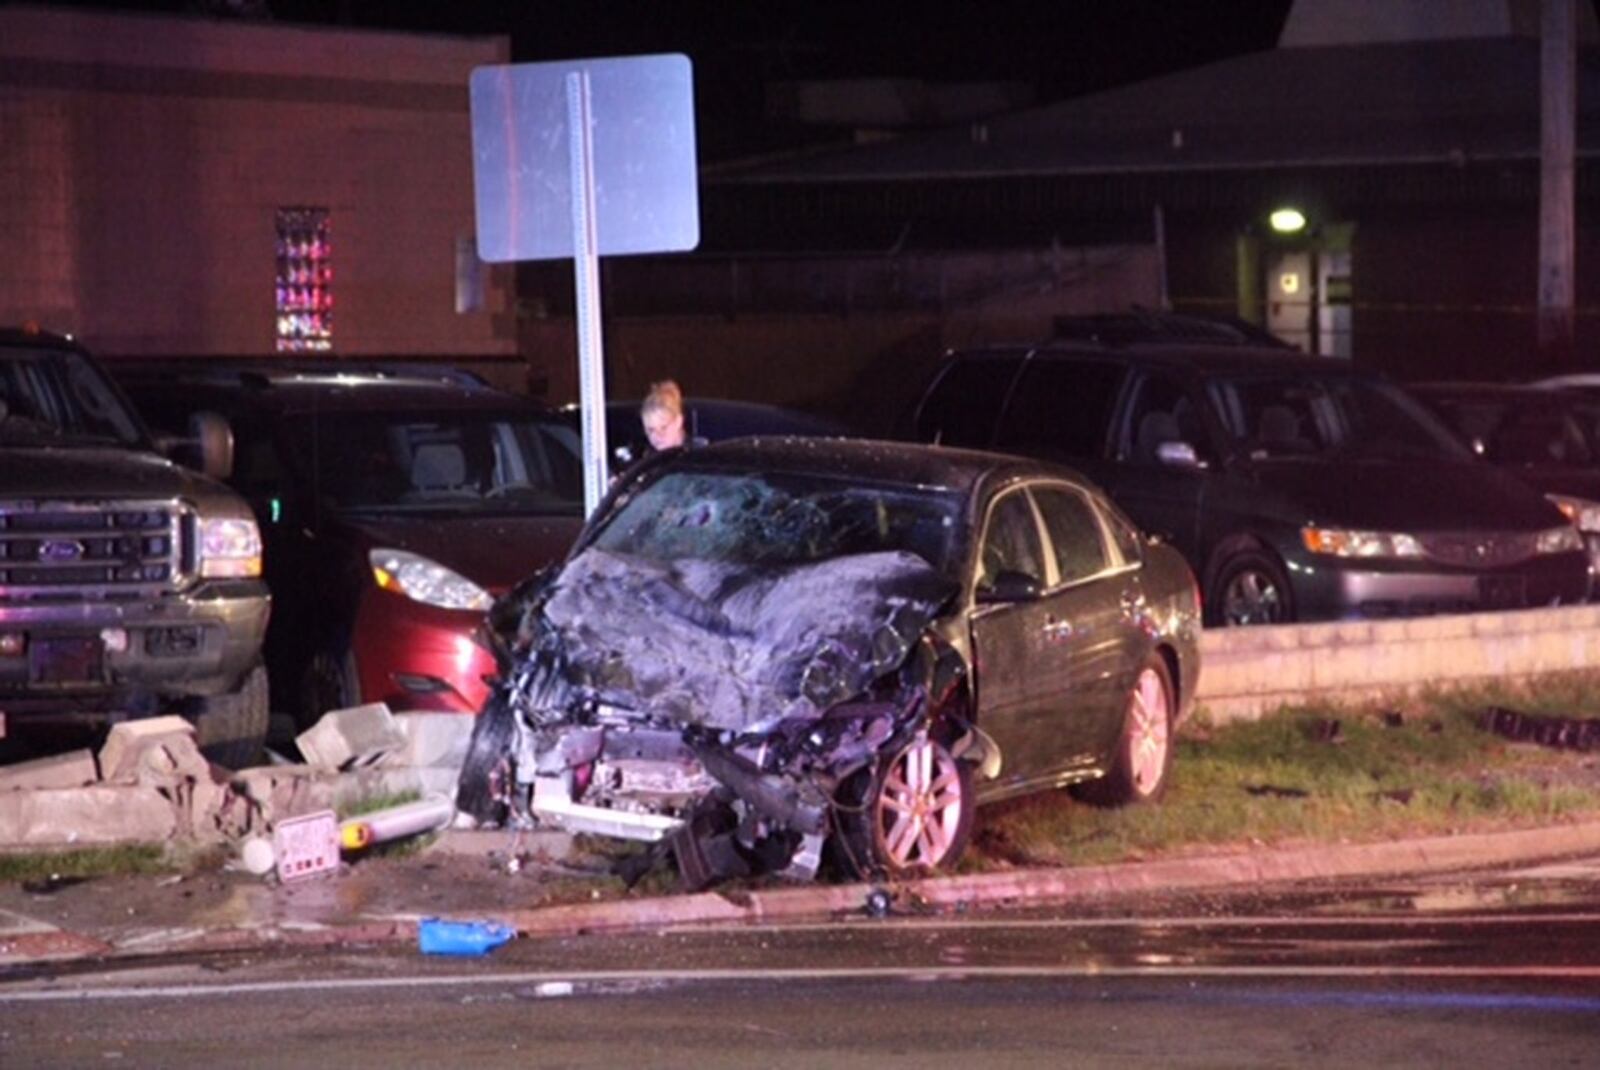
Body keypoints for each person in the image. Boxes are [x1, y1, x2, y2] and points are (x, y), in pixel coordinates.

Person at [640, 379, 688, 452]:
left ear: (678, 421)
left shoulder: (697, 453)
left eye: (663, 428)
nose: (657, 436)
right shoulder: (645, 455)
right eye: (651, 430)